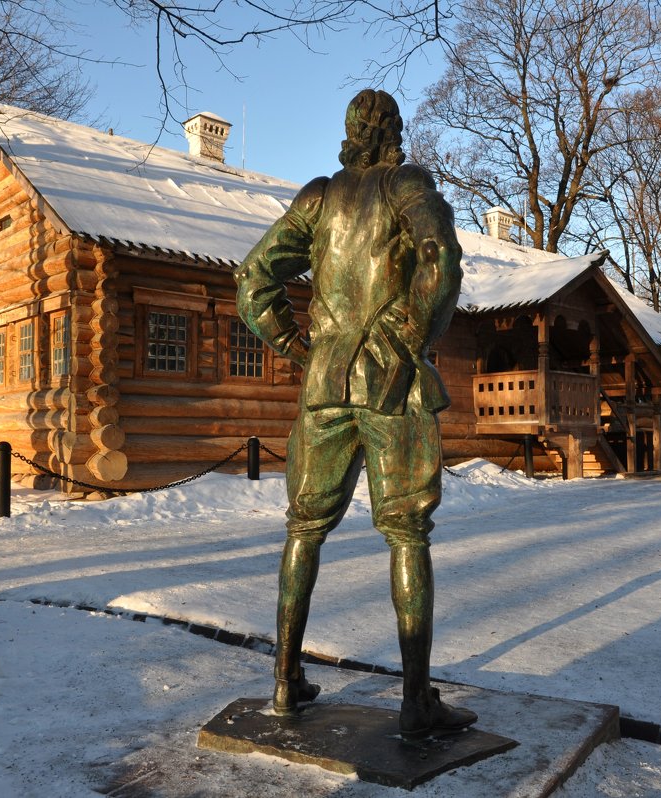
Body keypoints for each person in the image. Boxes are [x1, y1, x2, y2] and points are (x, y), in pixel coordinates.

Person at [234, 89, 477, 739]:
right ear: (393, 131)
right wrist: (411, 338)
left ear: (349, 134)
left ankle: (285, 684)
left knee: (302, 530)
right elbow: (441, 257)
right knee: (406, 535)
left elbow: (253, 279)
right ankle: (415, 701)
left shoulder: (317, 198)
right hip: (392, 387)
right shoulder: (407, 186)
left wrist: (292, 344)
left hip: (324, 386)